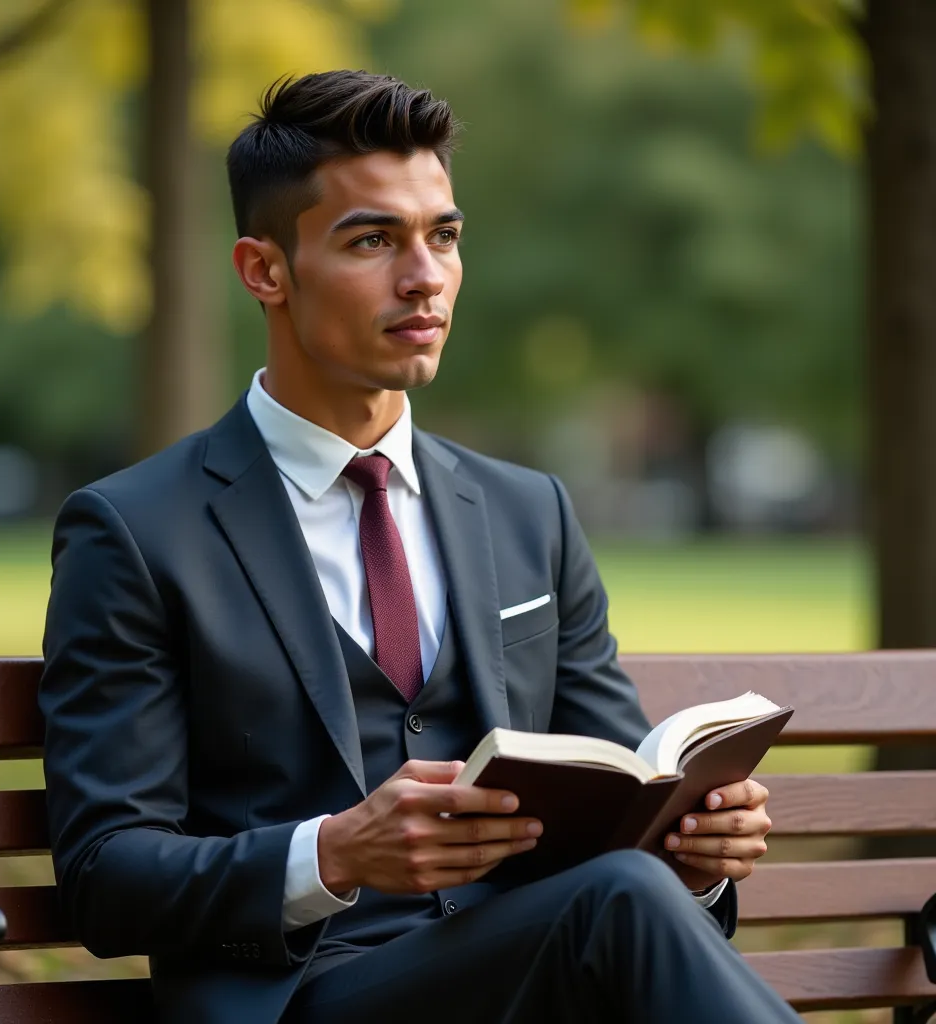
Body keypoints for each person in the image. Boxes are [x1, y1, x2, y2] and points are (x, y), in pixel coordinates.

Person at [39, 69, 800, 1024]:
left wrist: (690, 856)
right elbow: (106, 875)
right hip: (302, 998)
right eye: (373, 240)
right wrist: (335, 853)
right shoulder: (137, 531)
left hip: (533, 978)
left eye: (443, 236)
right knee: (620, 904)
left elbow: (619, 800)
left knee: (633, 891)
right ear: (264, 269)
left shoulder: (531, 513)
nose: (425, 276)